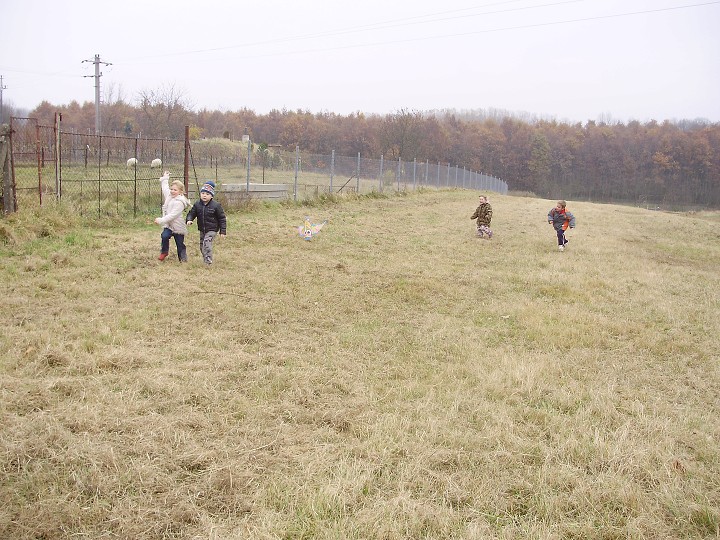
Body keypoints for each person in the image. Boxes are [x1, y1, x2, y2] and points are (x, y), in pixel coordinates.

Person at [186, 181, 227, 265]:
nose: (204, 195)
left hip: (212, 229)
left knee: (207, 243)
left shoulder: (216, 205)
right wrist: (189, 220)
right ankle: (206, 257)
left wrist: (222, 231)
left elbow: (222, 218)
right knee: (202, 245)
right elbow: (191, 213)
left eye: (207, 194)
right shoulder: (197, 204)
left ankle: (208, 262)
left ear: (211, 196)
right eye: (203, 193)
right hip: (202, 229)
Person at [154, 171, 190, 261]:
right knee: (164, 236)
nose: (172, 191)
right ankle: (164, 252)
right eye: (172, 189)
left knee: (179, 243)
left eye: (175, 190)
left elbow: (172, 215)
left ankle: (182, 257)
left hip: (178, 226)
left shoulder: (180, 202)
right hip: (168, 225)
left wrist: (161, 220)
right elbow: (165, 188)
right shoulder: (169, 196)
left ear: (180, 191)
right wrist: (165, 178)